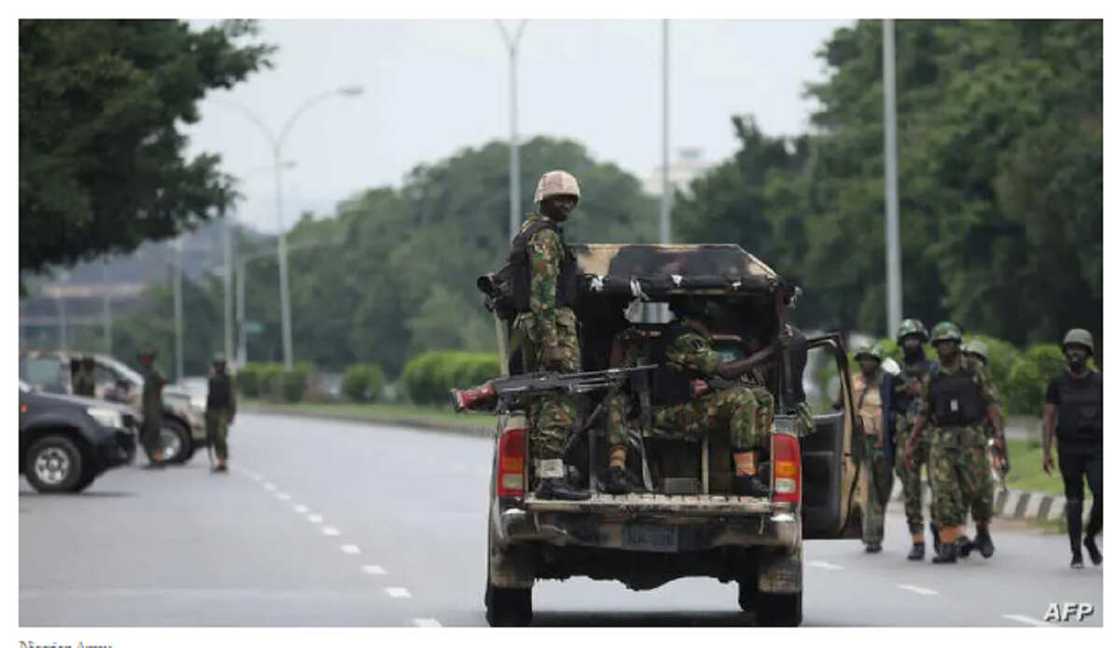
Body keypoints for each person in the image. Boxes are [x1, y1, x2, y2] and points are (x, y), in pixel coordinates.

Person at [602, 298, 776, 497]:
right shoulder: (684, 339)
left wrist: (710, 386)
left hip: (684, 408)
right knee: (743, 398)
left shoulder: (687, 337)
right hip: (666, 413)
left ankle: (757, 465)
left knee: (762, 397)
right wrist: (769, 352)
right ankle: (745, 477)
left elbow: (714, 378)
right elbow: (726, 371)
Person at [508, 170, 587, 500]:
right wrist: (552, 343)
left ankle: (547, 475)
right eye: (559, 199)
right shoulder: (545, 237)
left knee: (543, 402)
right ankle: (551, 479)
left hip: (536, 327)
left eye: (571, 199)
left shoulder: (529, 231)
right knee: (559, 399)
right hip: (550, 327)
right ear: (543, 200)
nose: (566, 205)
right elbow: (543, 294)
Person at [904, 322, 1005, 564]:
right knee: (944, 492)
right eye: (939, 344)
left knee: (979, 490)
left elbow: (991, 402)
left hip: (972, 436)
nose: (943, 348)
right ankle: (947, 545)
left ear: (957, 345)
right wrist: (912, 441)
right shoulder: (934, 377)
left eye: (948, 343)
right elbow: (924, 412)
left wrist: (999, 434)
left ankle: (982, 531)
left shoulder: (974, 370)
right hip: (942, 438)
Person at [1042, 328, 1103, 568]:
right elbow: (1048, 417)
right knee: (1074, 500)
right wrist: (1046, 451)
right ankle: (1076, 552)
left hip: (1098, 447)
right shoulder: (1057, 383)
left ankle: (1090, 537)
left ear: (1088, 353)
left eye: (1080, 349)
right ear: (1065, 353)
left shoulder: (1101, 382)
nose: (1075, 353)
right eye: (1070, 349)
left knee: (1104, 495)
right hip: (1069, 448)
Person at [886, 318, 937, 560]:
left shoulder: (935, 369)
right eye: (907, 339)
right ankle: (917, 540)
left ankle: (941, 532)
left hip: (934, 433)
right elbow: (888, 409)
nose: (911, 343)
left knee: (941, 488)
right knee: (911, 491)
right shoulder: (893, 372)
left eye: (915, 338)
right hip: (906, 436)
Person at [852, 343, 892, 553]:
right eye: (863, 359)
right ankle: (872, 536)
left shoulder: (886, 383)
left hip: (883, 443)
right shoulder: (854, 382)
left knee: (883, 487)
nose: (866, 363)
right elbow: (843, 406)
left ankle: (877, 528)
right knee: (869, 489)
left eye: (870, 359)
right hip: (862, 440)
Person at [206, 353, 237, 473]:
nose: (218, 367)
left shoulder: (228, 379)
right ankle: (219, 460)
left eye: (220, 365)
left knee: (221, 435)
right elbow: (209, 396)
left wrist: (231, 414)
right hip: (212, 410)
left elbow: (232, 397)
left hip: (223, 410)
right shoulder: (212, 379)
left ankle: (223, 460)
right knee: (213, 436)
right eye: (216, 365)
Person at [138, 349, 166, 467]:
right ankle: (157, 459)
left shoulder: (154, 371)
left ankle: (157, 459)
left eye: (145, 358)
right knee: (151, 436)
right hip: (149, 410)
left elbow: (163, 380)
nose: (143, 361)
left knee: (151, 436)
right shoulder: (148, 372)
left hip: (154, 410)